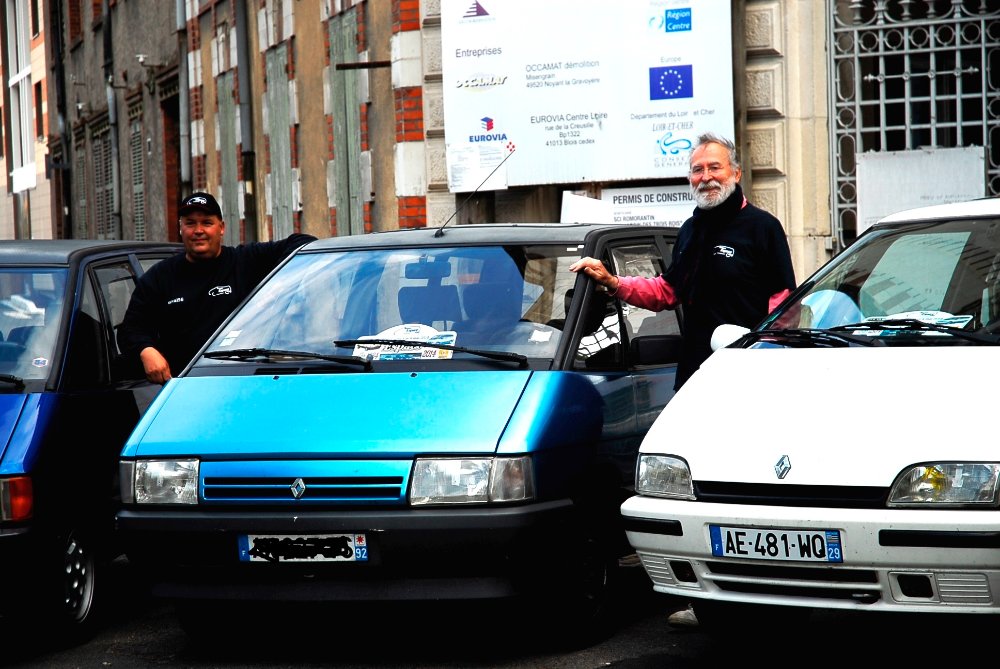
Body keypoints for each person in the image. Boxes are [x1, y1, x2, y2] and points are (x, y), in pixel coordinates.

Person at [569, 132, 796, 628]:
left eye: (714, 168)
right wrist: (614, 283)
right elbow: (667, 292)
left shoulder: (762, 228)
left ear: (736, 173)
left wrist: (764, 351)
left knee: (749, 486)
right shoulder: (691, 229)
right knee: (702, 486)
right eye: (697, 170)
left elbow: (785, 304)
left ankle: (768, 592)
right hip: (696, 379)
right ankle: (710, 594)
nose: (706, 177)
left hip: (750, 381)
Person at [119, 192, 317, 384]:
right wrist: (146, 350)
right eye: (190, 223)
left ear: (221, 228)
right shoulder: (160, 277)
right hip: (182, 387)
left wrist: (277, 286)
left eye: (207, 223)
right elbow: (131, 329)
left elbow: (303, 243)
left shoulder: (245, 261)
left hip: (242, 381)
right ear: (181, 228)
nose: (198, 230)